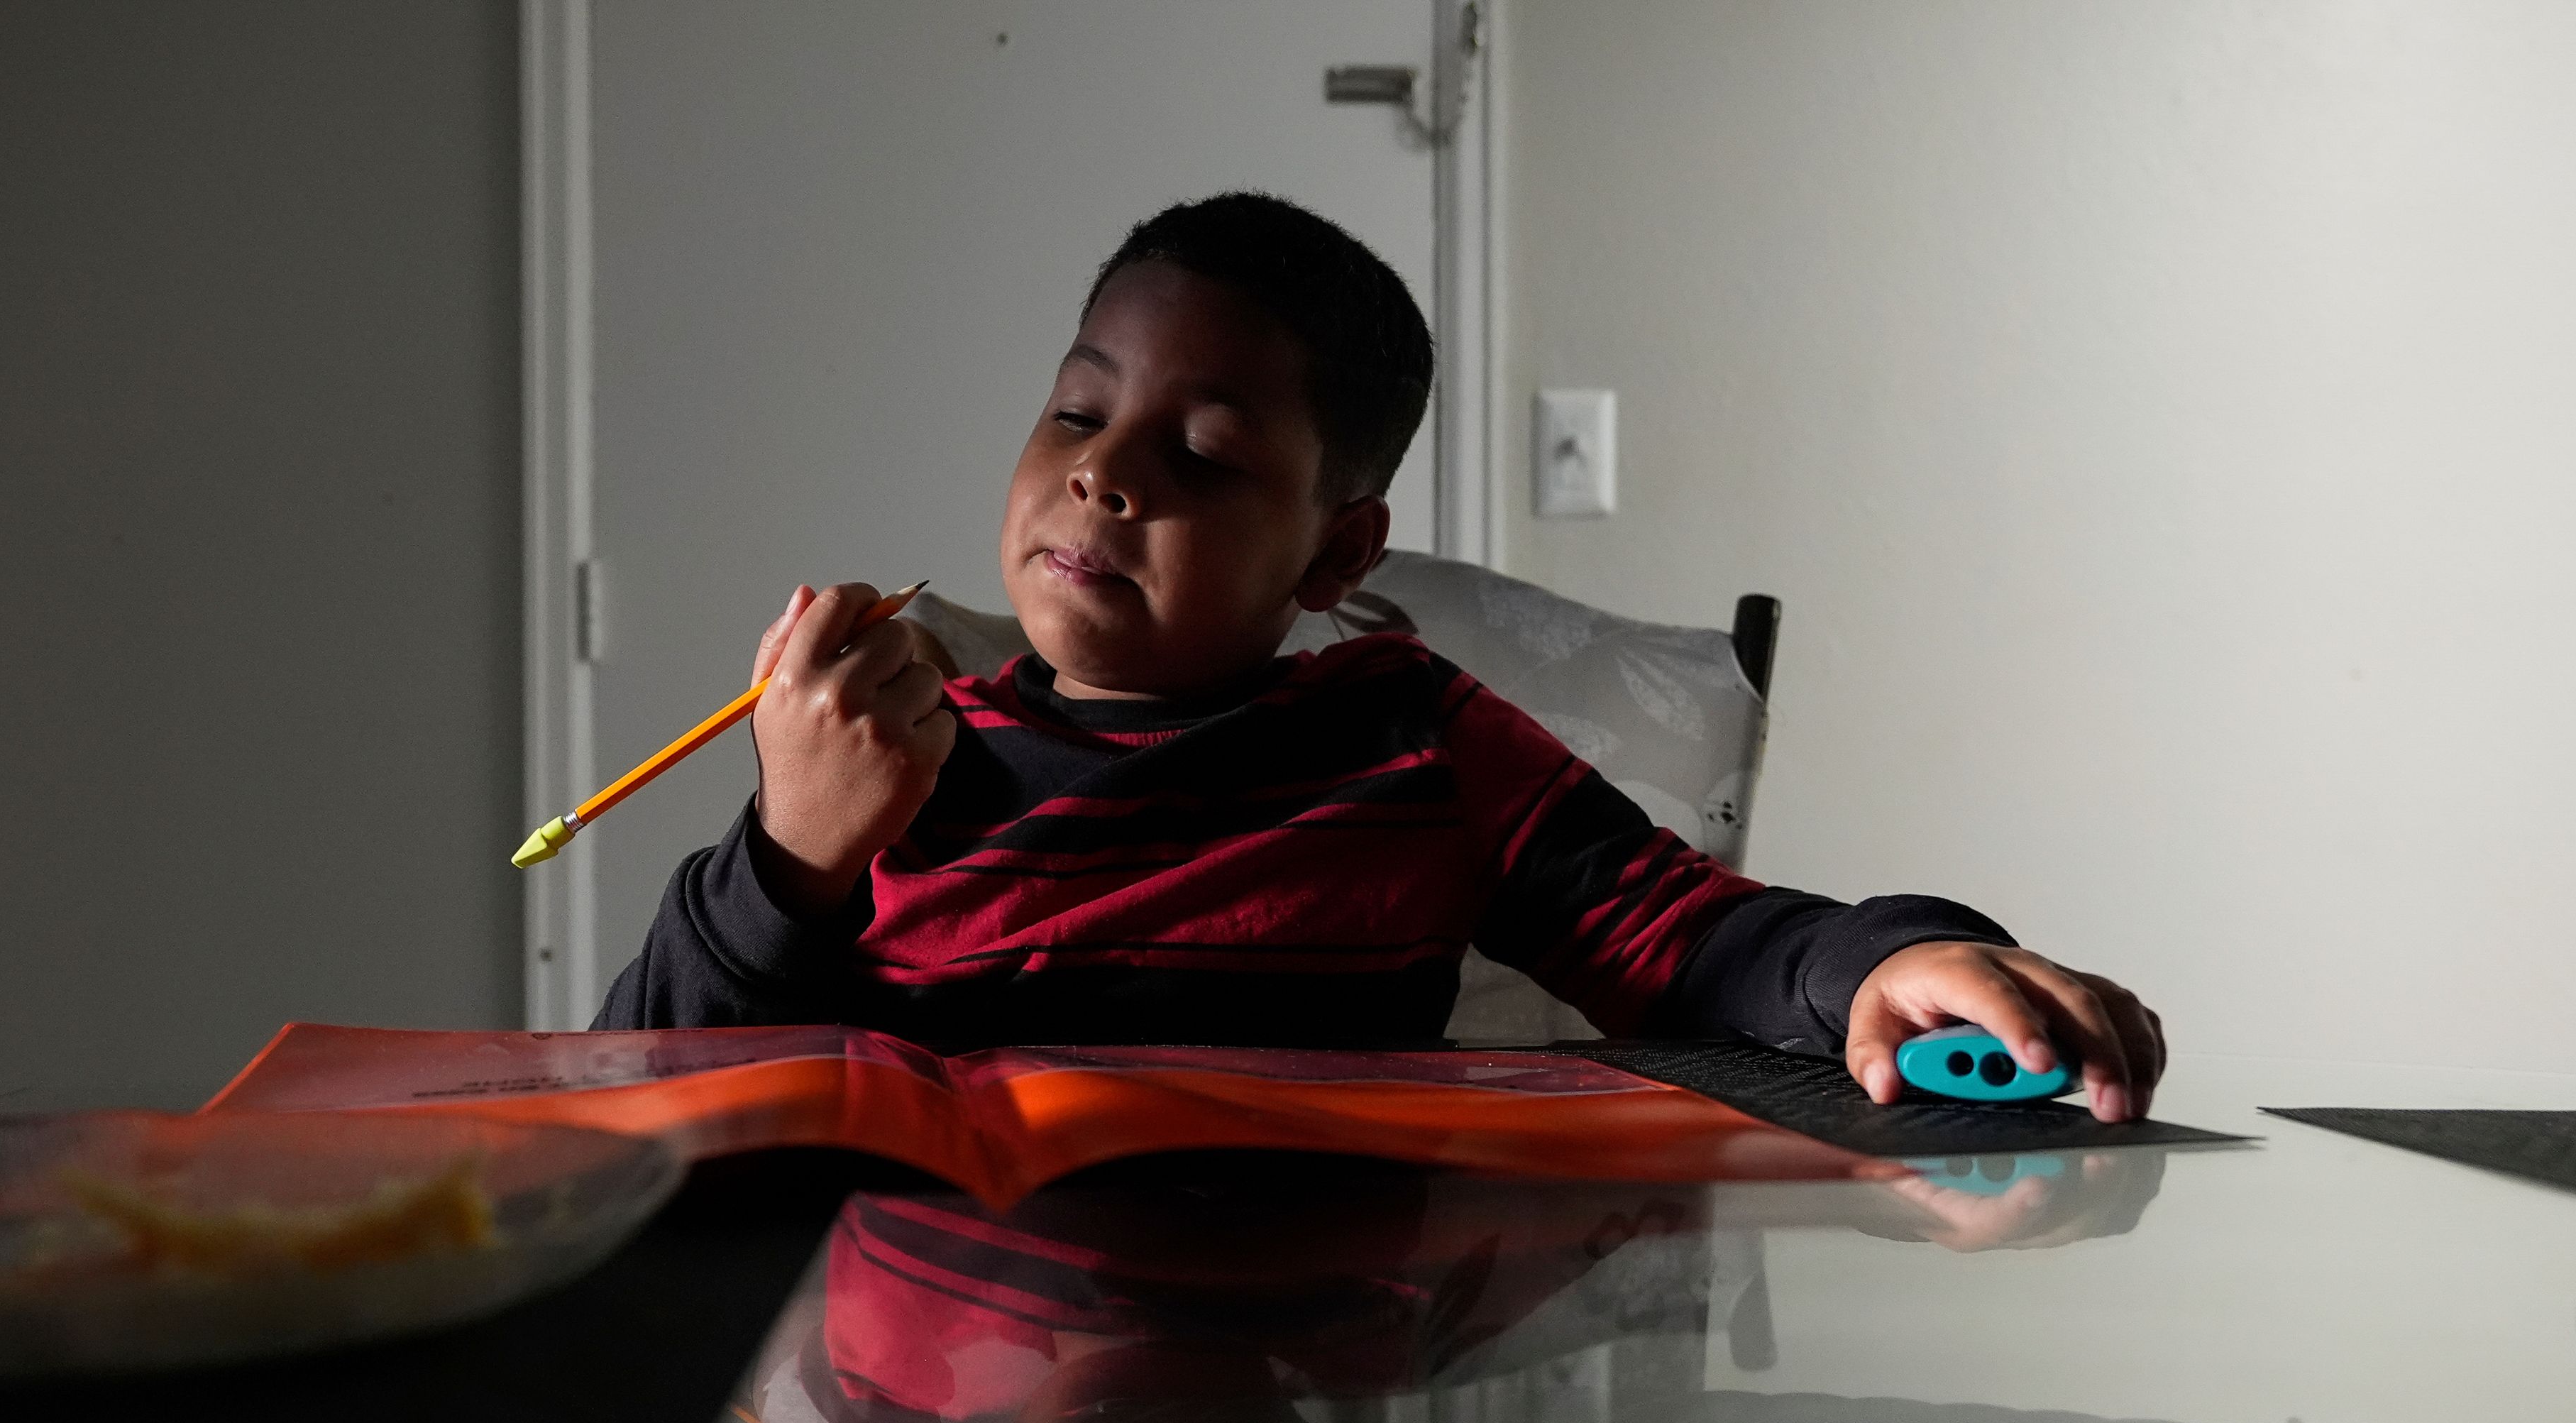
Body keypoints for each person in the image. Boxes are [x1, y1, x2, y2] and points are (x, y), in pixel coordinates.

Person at [596, 192, 2165, 1121]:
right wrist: (792, 853)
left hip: (1300, 1409)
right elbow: (638, 1091)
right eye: (1078, 410)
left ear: (1341, 553)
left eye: (1203, 450)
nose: (1103, 472)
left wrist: (1888, 960)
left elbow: (1690, 937)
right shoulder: (901, 757)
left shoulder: (1412, 741)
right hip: (935, 1420)